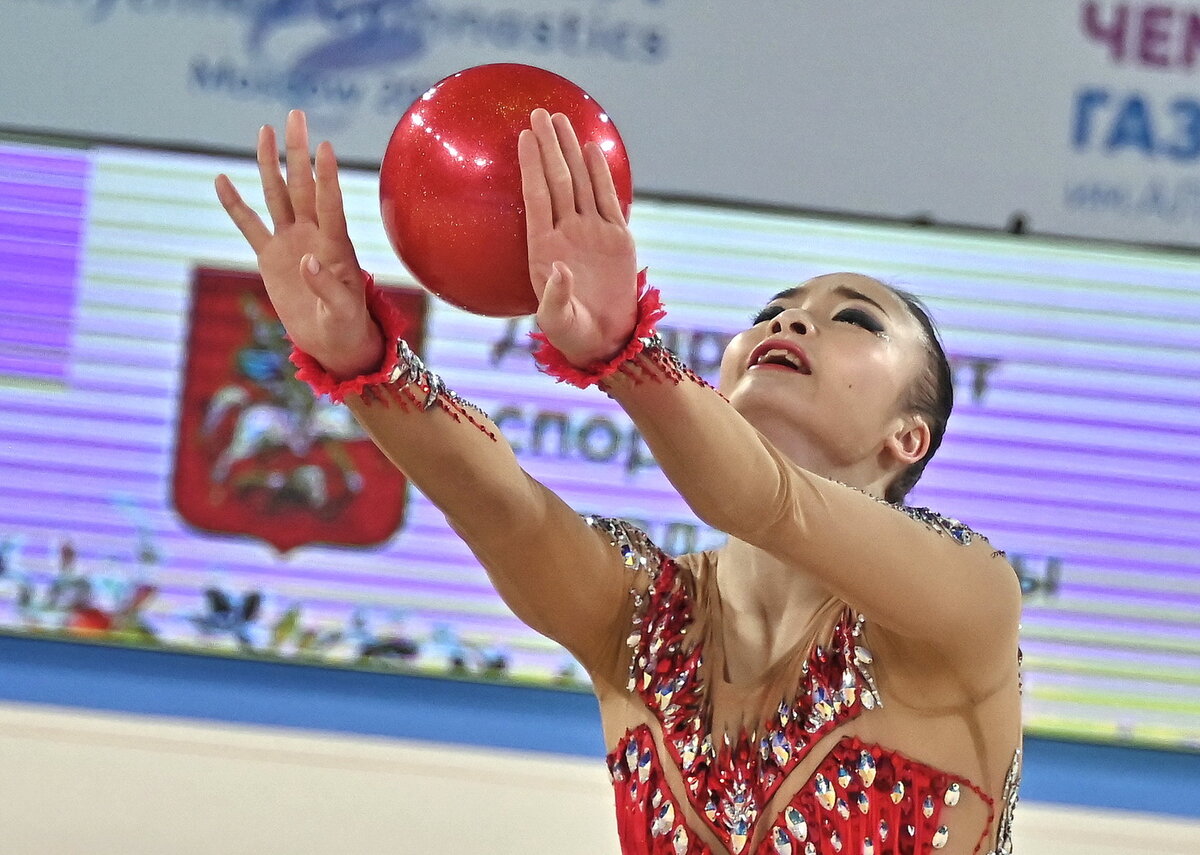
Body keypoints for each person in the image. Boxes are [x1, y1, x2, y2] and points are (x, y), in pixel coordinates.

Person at [215, 108, 1022, 855]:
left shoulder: (965, 596)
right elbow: (505, 510)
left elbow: (764, 501)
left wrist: (624, 351)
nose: (787, 321)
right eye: (771, 310)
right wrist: (361, 357)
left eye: (856, 320)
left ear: (907, 437)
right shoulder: (648, 617)